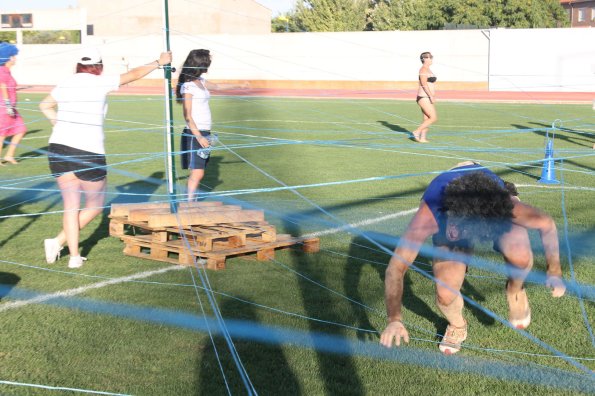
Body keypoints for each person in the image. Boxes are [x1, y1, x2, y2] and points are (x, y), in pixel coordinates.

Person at [380, 161, 566, 354]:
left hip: (490, 197)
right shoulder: (429, 216)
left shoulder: (504, 206)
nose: (457, 232)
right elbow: (395, 269)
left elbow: (547, 224)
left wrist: (554, 270)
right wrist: (394, 319)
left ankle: (515, 289)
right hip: (450, 203)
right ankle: (457, 325)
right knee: (445, 295)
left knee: (520, 256)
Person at [39, 48, 172, 268]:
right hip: (87, 151)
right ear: (98, 67)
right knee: (95, 205)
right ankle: (58, 242)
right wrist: (159, 62)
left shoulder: (66, 82)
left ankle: (72, 256)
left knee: (71, 206)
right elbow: (134, 75)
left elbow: (44, 105)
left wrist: (56, 122)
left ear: (79, 66)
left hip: (58, 148)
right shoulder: (99, 81)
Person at [0, 42, 27, 165]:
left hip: (10, 108)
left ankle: (9, 155)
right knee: (2, 134)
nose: (15, 58)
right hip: (4, 108)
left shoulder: (7, 71)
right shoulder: (2, 71)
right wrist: (7, 105)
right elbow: (3, 87)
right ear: (7, 57)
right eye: (13, 56)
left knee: (21, 129)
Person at [411, 52, 437, 143]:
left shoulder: (428, 69)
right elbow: (424, 84)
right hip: (424, 97)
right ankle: (417, 131)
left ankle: (422, 137)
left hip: (426, 97)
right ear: (424, 59)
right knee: (433, 118)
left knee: (426, 119)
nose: (431, 59)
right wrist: (430, 96)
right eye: (430, 57)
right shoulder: (423, 70)